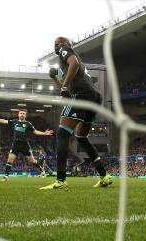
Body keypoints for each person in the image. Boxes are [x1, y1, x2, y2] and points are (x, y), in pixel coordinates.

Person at [41, 36, 112, 190]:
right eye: (54, 43)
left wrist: (65, 87)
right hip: (93, 97)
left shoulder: (65, 51)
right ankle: (104, 175)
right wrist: (55, 78)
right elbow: (66, 84)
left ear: (66, 44)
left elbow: (74, 63)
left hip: (81, 96)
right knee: (81, 137)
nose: (56, 44)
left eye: (59, 42)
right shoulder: (65, 64)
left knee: (62, 133)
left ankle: (60, 180)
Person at [0, 110, 53, 181]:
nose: (22, 114)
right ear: (18, 114)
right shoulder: (14, 122)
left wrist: (44, 133)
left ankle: (42, 171)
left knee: (32, 161)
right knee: (10, 160)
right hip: (15, 145)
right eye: (21, 113)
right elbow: (3, 121)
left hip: (25, 145)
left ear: (25, 115)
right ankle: (6, 176)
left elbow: (35, 132)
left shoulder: (28, 124)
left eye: (23, 113)